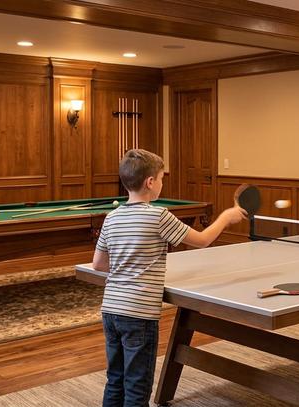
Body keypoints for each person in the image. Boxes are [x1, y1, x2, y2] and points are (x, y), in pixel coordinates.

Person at [92, 149, 246, 407]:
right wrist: (225, 218)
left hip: (111, 310)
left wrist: (129, 267)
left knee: (116, 378)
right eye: (162, 178)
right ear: (150, 182)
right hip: (139, 314)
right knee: (137, 384)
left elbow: (98, 264)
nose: (162, 183)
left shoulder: (112, 217)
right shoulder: (158, 215)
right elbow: (203, 240)